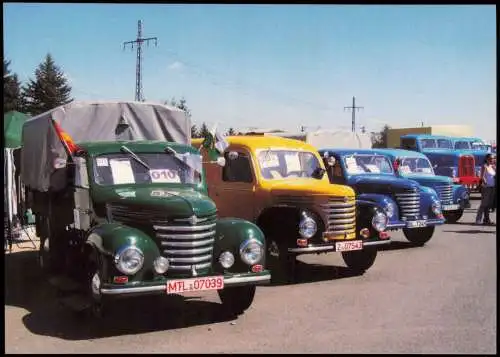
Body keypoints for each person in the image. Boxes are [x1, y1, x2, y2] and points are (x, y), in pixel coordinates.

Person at [475, 154, 496, 225]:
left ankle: (486, 219)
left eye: (493, 158)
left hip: (492, 188)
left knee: (489, 205)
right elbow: (482, 177)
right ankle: (478, 219)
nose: (492, 160)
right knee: (484, 204)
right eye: (490, 158)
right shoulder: (484, 166)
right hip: (486, 188)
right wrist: (485, 183)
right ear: (486, 159)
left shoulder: (493, 167)